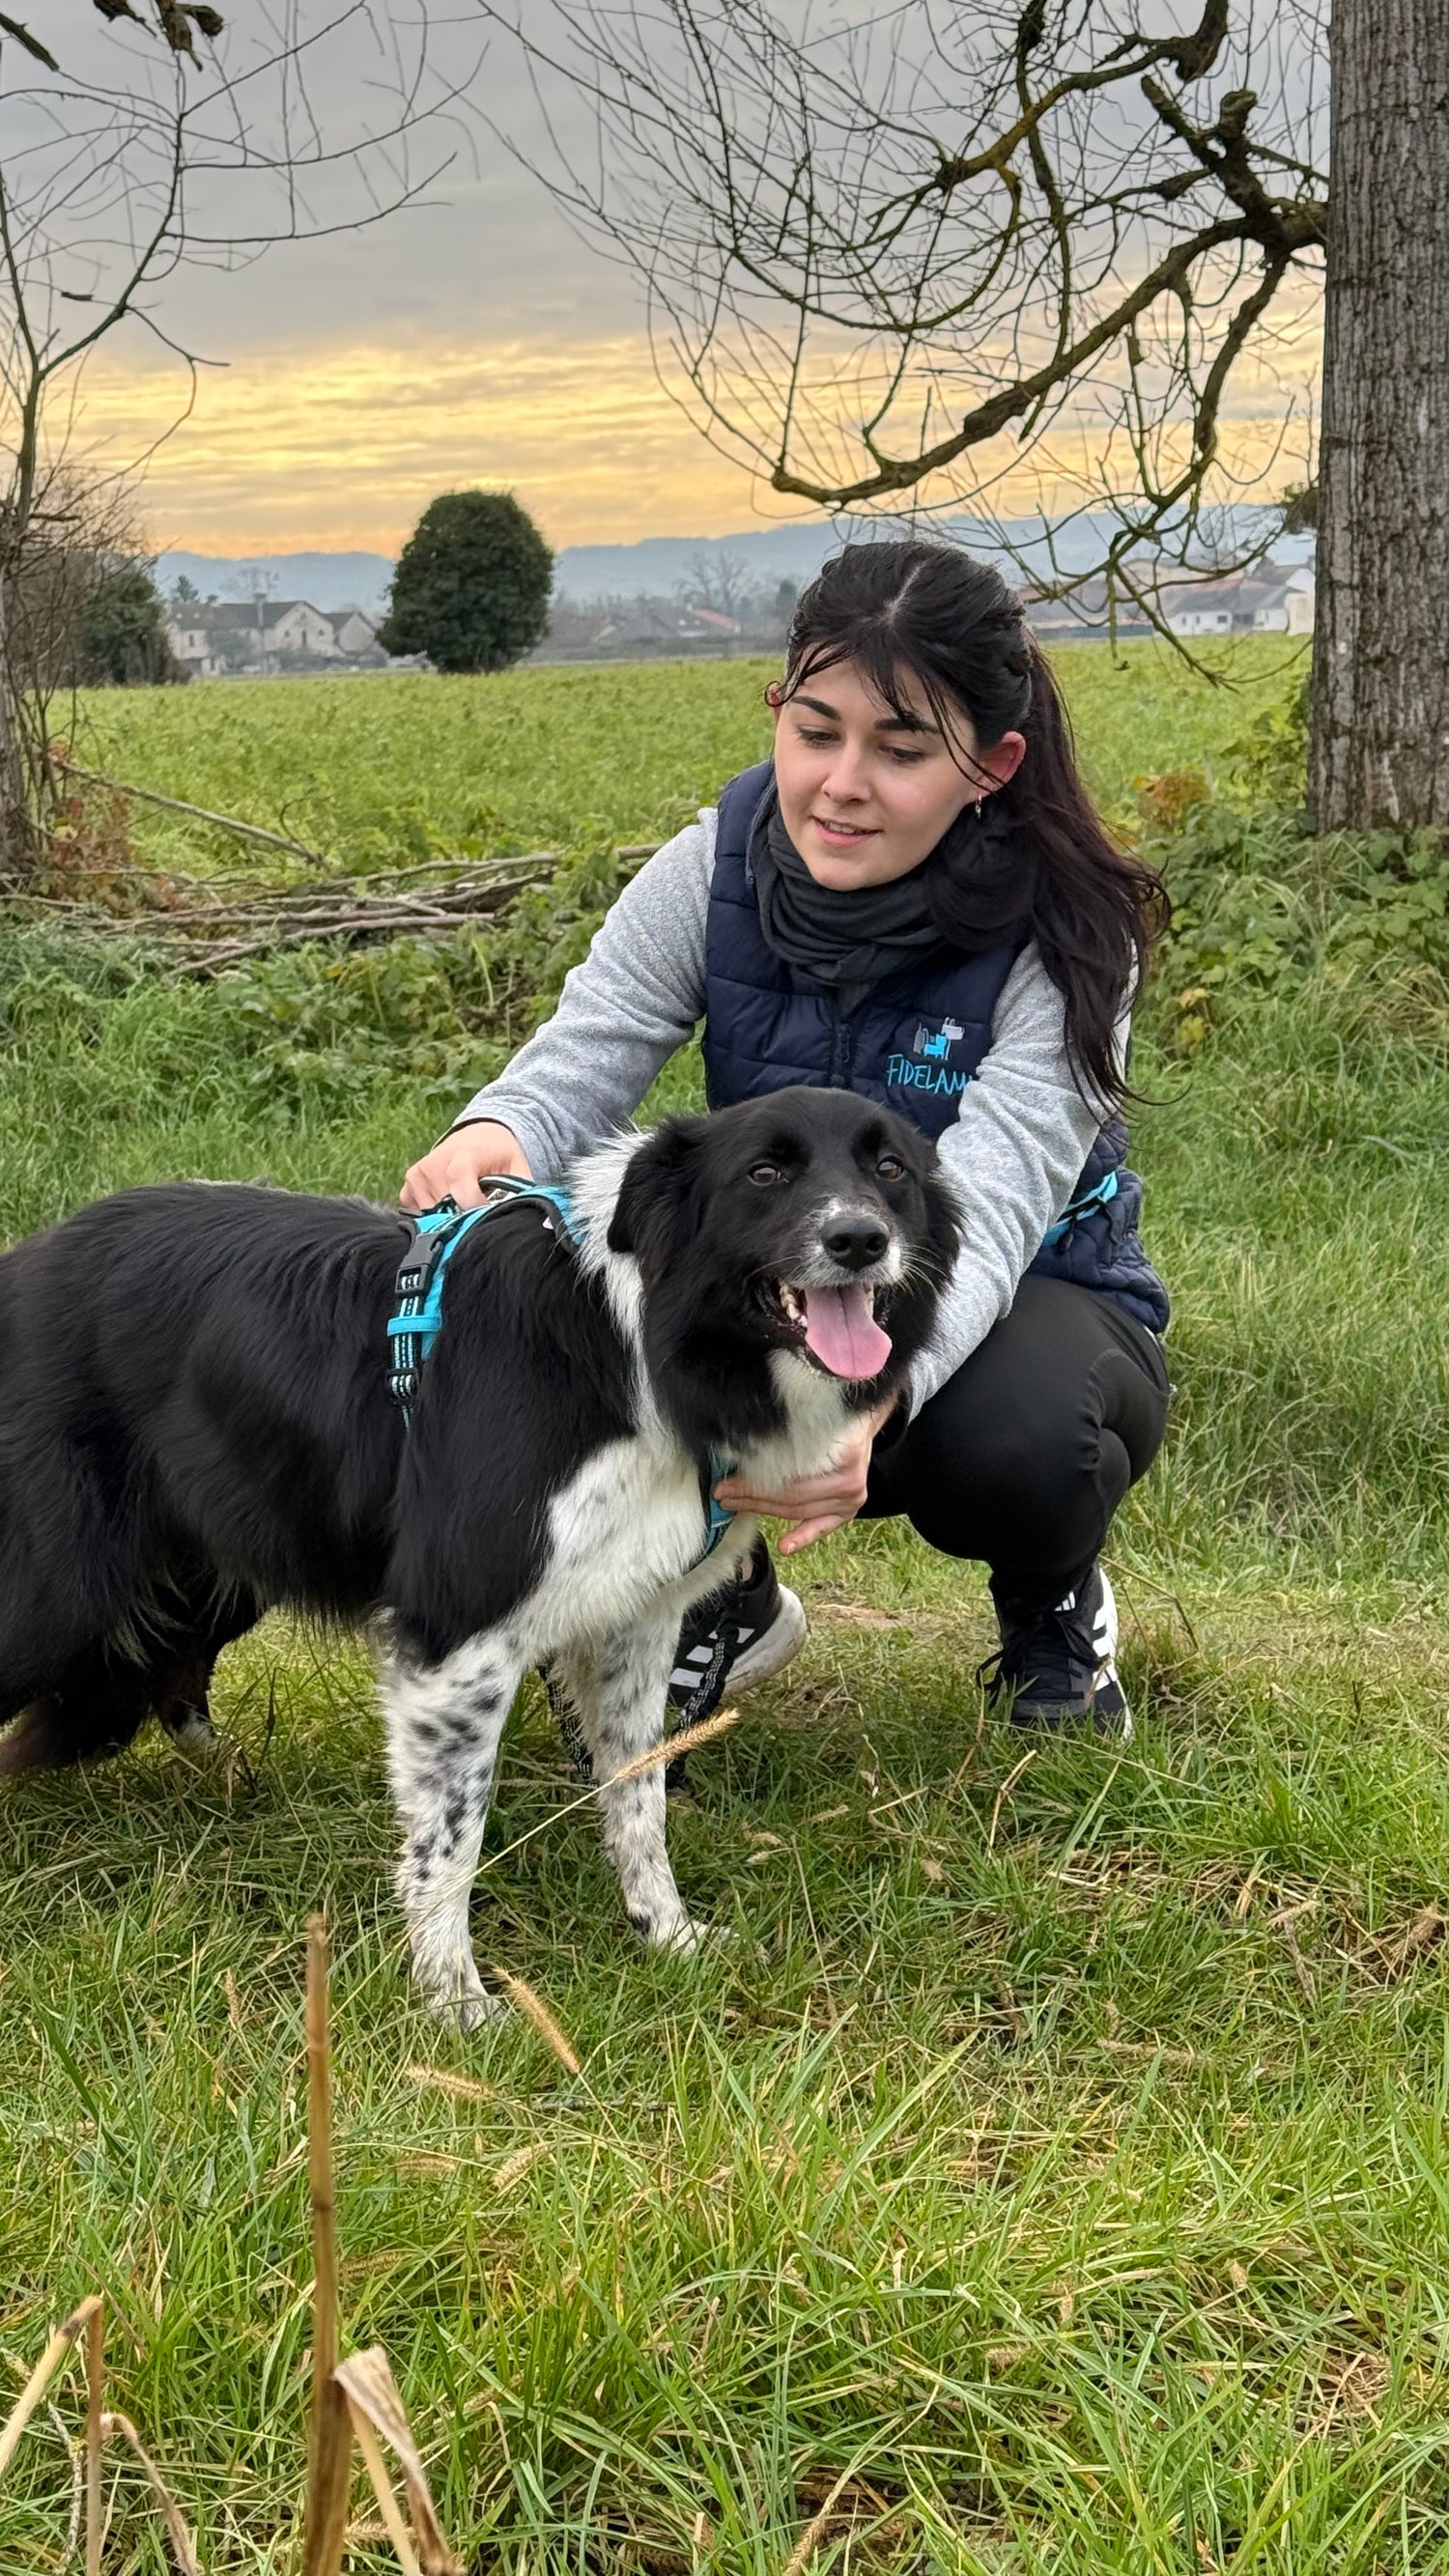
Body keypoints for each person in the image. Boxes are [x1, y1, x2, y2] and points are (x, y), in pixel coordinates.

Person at [402, 542, 1171, 1733]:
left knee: (1020, 1444)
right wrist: (497, 1132)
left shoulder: (1071, 930)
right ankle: (724, 1595)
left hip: (1025, 1295)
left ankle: (1051, 1601)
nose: (842, 783)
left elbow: (1001, 1196)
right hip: (784, 1277)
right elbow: (586, 1052)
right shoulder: (712, 866)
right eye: (816, 732)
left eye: (902, 751)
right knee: (589, 1313)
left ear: (991, 765)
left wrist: (881, 1396)